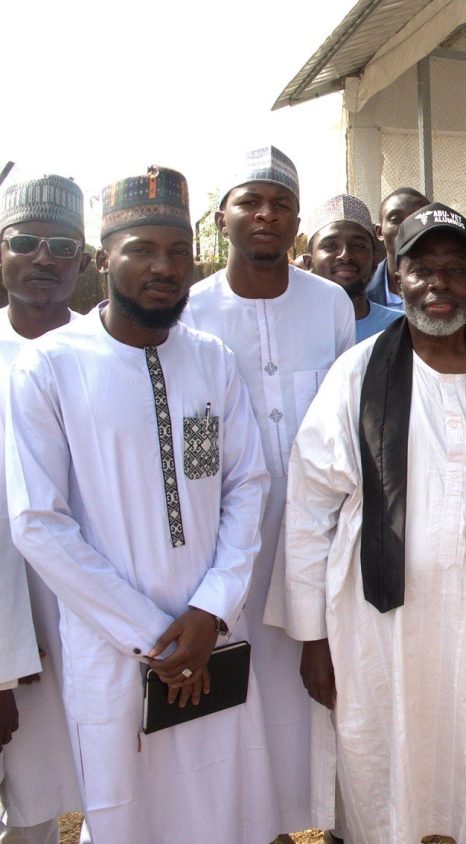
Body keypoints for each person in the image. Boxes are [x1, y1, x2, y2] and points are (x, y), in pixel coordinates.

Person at [283, 202, 466, 843]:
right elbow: (310, 508)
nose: (439, 285)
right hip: (381, 625)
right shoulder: (357, 374)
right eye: (422, 270)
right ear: (395, 277)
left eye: (454, 270)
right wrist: (312, 636)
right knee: (386, 764)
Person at [5, 165, 280, 843]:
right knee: (127, 811)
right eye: (143, 250)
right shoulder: (48, 367)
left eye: (179, 252)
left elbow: (249, 484)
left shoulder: (212, 359)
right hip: (115, 645)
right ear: (105, 261)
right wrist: (153, 636)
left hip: (210, 634)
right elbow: (38, 523)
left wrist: (211, 609)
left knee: (222, 801)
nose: (165, 267)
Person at [182, 146, 354, 836]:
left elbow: (346, 413)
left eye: (280, 203)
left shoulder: (329, 302)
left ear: (297, 221)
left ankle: (321, 813)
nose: (265, 214)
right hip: (227, 537)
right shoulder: (191, 309)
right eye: (250, 201)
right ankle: (250, 821)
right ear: (222, 217)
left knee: (312, 679)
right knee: (238, 681)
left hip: (315, 529)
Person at [0, 175, 88, 844]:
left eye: (62, 245)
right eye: (25, 241)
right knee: (25, 809)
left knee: (105, 789)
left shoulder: (107, 352)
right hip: (6, 625)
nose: (43, 258)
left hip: (91, 618)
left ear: (85, 263)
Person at [306, 194, 399, 342]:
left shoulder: (399, 328)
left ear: (375, 260)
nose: (345, 255)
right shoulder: (290, 326)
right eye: (330, 246)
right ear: (308, 262)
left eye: (358, 246)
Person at [366, 187, 428, 311]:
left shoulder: (451, 286)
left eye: (418, 218)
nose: (407, 226)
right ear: (380, 232)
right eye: (396, 220)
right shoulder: (361, 291)